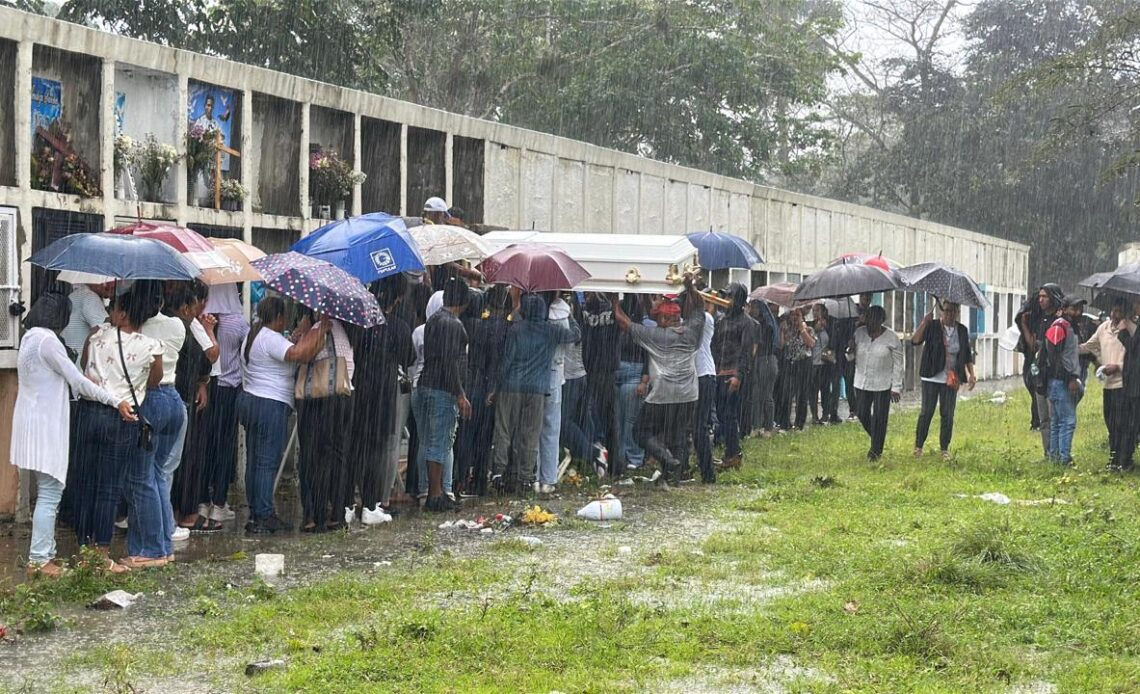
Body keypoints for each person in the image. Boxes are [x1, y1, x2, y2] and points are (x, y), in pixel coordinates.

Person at [13, 293, 135, 577]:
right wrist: (115, 400)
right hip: (46, 425)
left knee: (47, 490)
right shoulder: (49, 342)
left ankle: (46, 554)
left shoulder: (30, 338)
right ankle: (40, 559)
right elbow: (78, 381)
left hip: (31, 423)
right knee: (50, 493)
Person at [73, 287, 163, 572]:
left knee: (86, 481)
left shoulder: (97, 336)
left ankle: (84, 546)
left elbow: (86, 368)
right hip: (122, 419)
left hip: (88, 414)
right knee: (109, 487)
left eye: (114, 308)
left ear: (123, 314)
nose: (110, 313)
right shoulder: (151, 346)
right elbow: (153, 382)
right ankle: (100, 552)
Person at [237, 297, 329, 534]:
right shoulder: (269, 337)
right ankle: (265, 515)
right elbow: (301, 355)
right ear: (278, 318)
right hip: (270, 404)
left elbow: (286, 351)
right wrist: (321, 328)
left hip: (250, 400)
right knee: (267, 462)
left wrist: (298, 335)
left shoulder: (253, 334)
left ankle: (256, 513)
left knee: (255, 461)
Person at [611, 279, 706, 485]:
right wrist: (689, 285)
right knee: (677, 433)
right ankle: (676, 475)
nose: (655, 321)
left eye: (658, 317)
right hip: (689, 394)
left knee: (640, 431)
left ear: (664, 318)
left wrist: (614, 301)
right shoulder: (691, 332)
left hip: (663, 394)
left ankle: (668, 461)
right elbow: (699, 307)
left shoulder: (655, 335)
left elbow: (623, 322)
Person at [489, 291, 580, 493]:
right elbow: (575, 336)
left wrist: (496, 386)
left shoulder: (515, 330)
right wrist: (572, 317)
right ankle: (526, 477)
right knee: (530, 434)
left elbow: (507, 360)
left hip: (512, 386)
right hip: (538, 389)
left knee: (504, 430)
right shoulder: (551, 330)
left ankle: (499, 472)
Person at [347, 276, 414, 522]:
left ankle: (346, 503)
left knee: (356, 447)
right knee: (376, 450)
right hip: (384, 396)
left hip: (359, 389)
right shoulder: (399, 327)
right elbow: (408, 358)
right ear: (397, 299)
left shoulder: (359, 324)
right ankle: (370, 504)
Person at [414, 278, 473, 510]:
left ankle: (427, 490)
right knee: (440, 443)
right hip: (442, 390)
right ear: (464, 302)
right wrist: (460, 394)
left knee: (427, 441)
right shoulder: (453, 325)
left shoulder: (433, 321)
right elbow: (450, 362)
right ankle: (436, 495)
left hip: (424, 385)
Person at [296, 314, 355, 532]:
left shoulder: (323, 326)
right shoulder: (345, 328)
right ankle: (337, 513)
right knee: (337, 456)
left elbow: (302, 355)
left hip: (323, 397)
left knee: (316, 456)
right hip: (344, 395)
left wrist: (307, 332)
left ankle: (318, 513)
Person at [195, 284, 248, 523]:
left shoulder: (200, 318)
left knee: (205, 444)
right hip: (230, 389)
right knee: (225, 447)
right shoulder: (237, 322)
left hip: (207, 388)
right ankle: (219, 502)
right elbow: (247, 353)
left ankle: (202, 501)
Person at [912, 301, 976, 459]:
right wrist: (923, 323)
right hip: (931, 375)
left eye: (954, 311)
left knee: (948, 413)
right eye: (947, 311)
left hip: (951, 377)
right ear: (941, 311)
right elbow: (915, 340)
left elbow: (967, 354)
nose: (950, 314)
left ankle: (944, 449)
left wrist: (971, 374)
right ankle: (918, 446)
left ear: (958, 312)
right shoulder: (932, 326)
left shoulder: (961, 330)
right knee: (927, 412)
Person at [1080, 298, 1134, 470]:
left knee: (1122, 424)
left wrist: (1118, 366)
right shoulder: (1104, 328)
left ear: (1125, 312)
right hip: (1108, 385)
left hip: (1124, 384)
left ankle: (1124, 459)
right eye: (1113, 311)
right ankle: (1113, 458)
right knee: (1110, 422)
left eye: (1118, 311)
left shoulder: (1131, 329)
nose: (1114, 315)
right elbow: (1089, 346)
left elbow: (1135, 358)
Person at [848, 305, 902, 460]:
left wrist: (896, 386)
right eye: (868, 318)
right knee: (862, 412)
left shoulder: (891, 338)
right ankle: (877, 437)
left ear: (881, 320)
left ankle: (875, 451)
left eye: (874, 319)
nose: (870, 322)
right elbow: (851, 359)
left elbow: (898, 363)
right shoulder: (859, 334)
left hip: (882, 383)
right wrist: (849, 349)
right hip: (862, 382)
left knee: (880, 416)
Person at [710, 283, 754, 472]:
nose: (727, 300)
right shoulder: (721, 320)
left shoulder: (747, 322)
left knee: (730, 415)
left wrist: (738, 375)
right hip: (719, 372)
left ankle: (734, 454)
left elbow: (745, 352)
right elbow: (714, 345)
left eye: (731, 297)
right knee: (721, 415)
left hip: (733, 374)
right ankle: (730, 452)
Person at [537, 292, 574, 493]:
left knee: (533, 427)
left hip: (534, 372)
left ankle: (532, 476)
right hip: (555, 370)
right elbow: (569, 343)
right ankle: (548, 478)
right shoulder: (562, 313)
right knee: (551, 427)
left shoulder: (532, 311)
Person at [1022, 283, 1065, 456]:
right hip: (1040, 375)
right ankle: (1048, 453)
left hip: (1054, 375)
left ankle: (1059, 453)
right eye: (1039, 296)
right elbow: (1033, 346)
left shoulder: (1060, 321)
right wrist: (1025, 325)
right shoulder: (1040, 320)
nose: (1041, 300)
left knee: (1057, 418)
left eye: (1045, 296)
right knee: (1044, 419)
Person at [1039, 295, 1082, 465]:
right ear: (1064, 309)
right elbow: (1054, 357)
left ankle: (1055, 458)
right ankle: (1063, 459)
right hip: (1059, 382)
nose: (1077, 312)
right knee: (1067, 422)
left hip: (1059, 381)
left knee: (1057, 422)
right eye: (1073, 308)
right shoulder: (1059, 326)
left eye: (1079, 308)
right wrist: (1069, 378)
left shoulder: (1070, 326)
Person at [1115, 298, 1140, 471]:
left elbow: (1134, 348)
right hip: (1132, 382)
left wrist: (1123, 333)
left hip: (1135, 384)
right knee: (1130, 422)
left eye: (1137, 303)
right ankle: (1124, 458)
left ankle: (1125, 458)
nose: (1134, 307)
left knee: (1132, 422)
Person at [60, 281, 113, 361]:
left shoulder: (76, 294)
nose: (107, 285)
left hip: (69, 357)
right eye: (106, 282)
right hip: (80, 361)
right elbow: (104, 328)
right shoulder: (90, 296)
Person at [783, 308, 816, 431]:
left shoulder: (809, 329)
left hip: (804, 362)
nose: (795, 318)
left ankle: (799, 423)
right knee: (787, 393)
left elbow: (811, 344)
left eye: (797, 315)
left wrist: (802, 330)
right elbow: (783, 344)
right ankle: (785, 422)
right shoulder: (789, 330)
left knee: (802, 394)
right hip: (791, 362)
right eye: (793, 315)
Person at [810, 303, 835, 425]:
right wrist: (815, 329)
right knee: (813, 390)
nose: (815, 313)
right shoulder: (810, 325)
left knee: (825, 389)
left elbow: (833, 341)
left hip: (825, 361)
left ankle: (826, 414)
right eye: (813, 310)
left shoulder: (828, 325)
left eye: (817, 310)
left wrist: (827, 328)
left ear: (824, 312)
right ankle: (814, 415)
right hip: (813, 363)